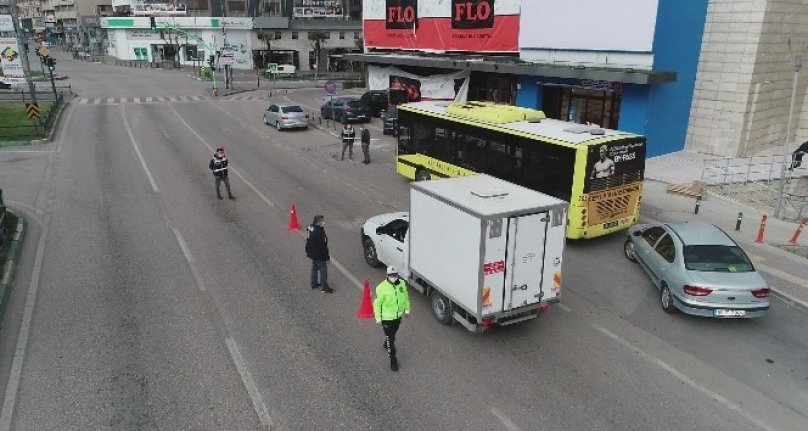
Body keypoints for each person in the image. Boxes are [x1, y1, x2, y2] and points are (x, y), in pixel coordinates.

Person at [373, 266, 410, 371]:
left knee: (393, 333)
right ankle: (393, 360)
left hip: (398, 317)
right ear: (387, 275)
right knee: (391, 339)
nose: (393, 277)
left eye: (395, 275)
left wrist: (407, 310)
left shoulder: (402, 284)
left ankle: (387, 341)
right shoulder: (381, 288)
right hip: (387, 318)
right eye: (391, 275)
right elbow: (377, 304)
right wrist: (378, 318)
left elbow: (405, 298)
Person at [305, 215, 334, 293]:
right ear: (318, 222)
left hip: (310, 251)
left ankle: (313, 283)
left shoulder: (310, 227)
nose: (324, 222)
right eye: (322, 221)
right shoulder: (319, 232)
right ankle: (324, 287)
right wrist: (327, 258)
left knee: (314, 266)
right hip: (318, 254)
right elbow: (323, 247)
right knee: (323, 269)